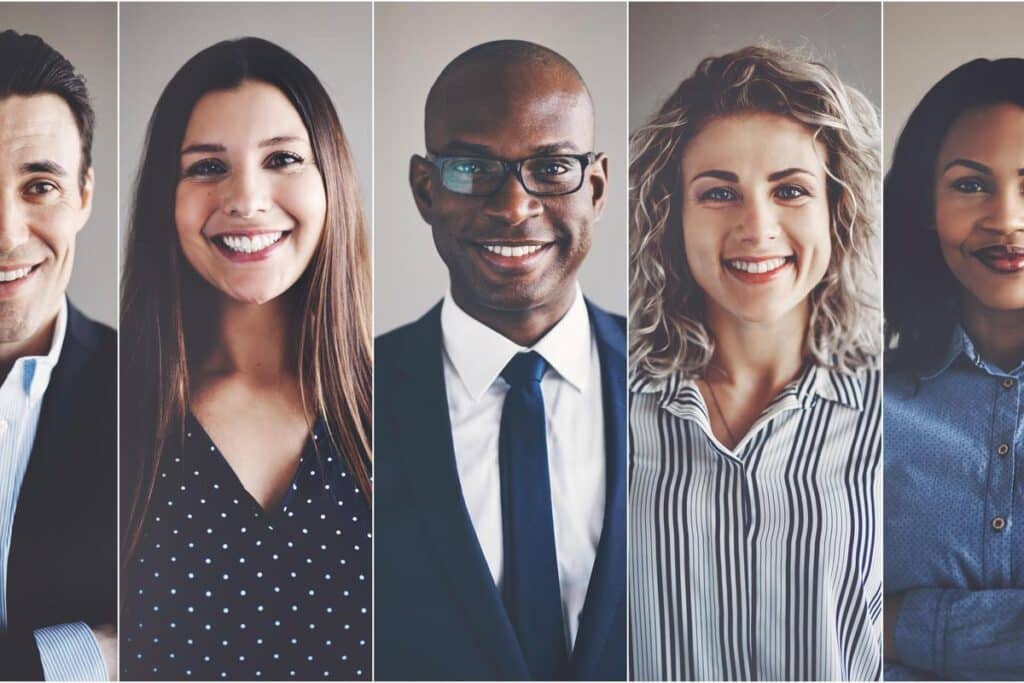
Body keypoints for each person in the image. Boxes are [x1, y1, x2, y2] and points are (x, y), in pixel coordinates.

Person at [119, 38, 371, 680]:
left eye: (282, 158)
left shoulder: (418, 405)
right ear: (164, 199)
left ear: (331, 181)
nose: (247, 199)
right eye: (207, 167)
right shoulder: (107, 408)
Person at [629, 45, 882, 680]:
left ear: (837, 210)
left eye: (790, 190)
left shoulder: (898, 415)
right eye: (719, 193)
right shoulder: (603, 411)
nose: (757, 227)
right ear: (673, 218)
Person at [375, 39, 626, 681]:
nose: (515, 208)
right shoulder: (342, 396)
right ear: (425, 189)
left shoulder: (681, 381)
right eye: (471, 168)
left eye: (550, 169)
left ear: (595, 187)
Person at [884, 58, 1024, 681]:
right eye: (971, 185)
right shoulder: (857, 404)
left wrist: (904, 624)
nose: (1006, 221)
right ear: (925, 206)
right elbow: (803, 612)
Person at [0, 30, 116, 682]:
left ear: (84, 195)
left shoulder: (164, 395)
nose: (7, 234)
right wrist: (82, 658)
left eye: (39, 185)